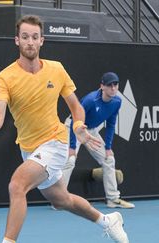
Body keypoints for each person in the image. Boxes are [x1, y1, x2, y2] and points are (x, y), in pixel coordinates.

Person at [0, 15, 129, 243]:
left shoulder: (56, 70)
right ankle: (108, 221)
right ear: (17, 40)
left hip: (55, 142)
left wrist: (78, 126)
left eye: (35, 37)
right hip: (29, 148)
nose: (30, 42)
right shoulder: (4, 78)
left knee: (17, 185)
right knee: (61, 200)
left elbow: (76, 106)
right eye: (25, 37)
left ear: (42, 41)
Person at [62, 72, 135, 209]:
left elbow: (111, 123)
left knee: (109, 159)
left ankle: (113, 199)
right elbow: (75, 120)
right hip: (75, 127)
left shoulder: (117, 101)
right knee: (69, 161)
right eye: (109, 85)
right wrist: (72, 147)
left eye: (115, 85)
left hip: (92, 131)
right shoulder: (90, 100)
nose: (113, 88)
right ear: (102, 86)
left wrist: (108, 147)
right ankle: (60, 200)